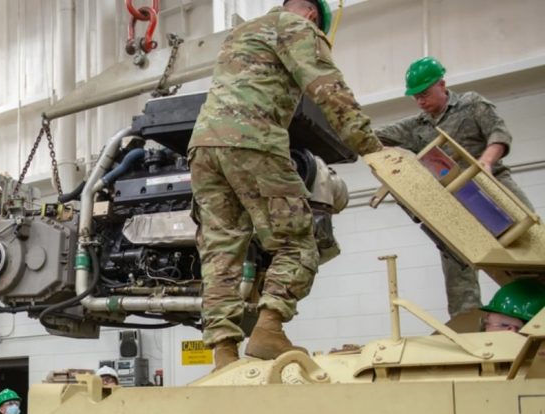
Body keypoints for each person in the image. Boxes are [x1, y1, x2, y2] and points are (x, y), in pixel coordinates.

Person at [188, 0, 383, 370]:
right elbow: (326, 87)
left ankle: (224, 352)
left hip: (202, 148)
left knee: (220, 253)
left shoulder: (239, 34)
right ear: (311, 14)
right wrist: (369, 145)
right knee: (297, 242)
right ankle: (269, 329)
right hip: (253, 141)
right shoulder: (298, 26)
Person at [376, 57, 537, 318]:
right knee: (456, 259)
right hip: (455, 200)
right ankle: (467, 319)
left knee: (529, 239)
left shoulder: (471, 104)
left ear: (442, 84)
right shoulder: (417, 127)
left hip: (492, 184)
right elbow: (374, 135)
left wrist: (485, 162)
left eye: (425, 94)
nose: (421, 101)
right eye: (415, 97)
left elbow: (499, 134)